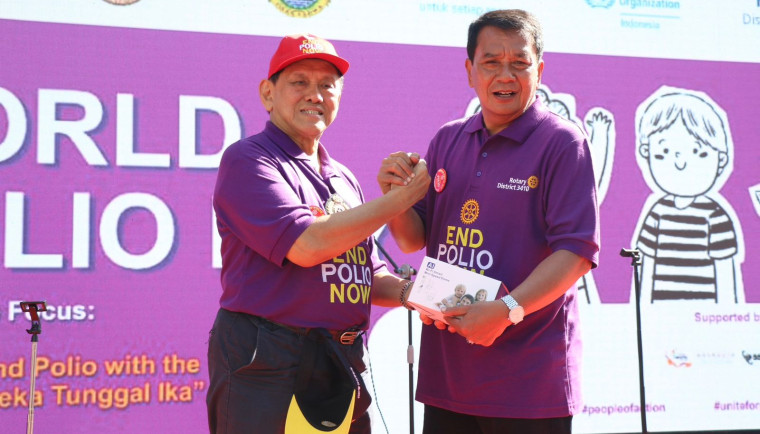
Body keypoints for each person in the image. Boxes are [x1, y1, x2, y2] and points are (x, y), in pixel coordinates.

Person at [378, 9, 600, 433]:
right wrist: (397, 198)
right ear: (470, 71)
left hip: (530, 383)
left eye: (519, 63)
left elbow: (575, 253)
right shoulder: (448, 139)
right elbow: (413, 239)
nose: (505, 75)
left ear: (539, 70)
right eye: (491, 62)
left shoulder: (562, 143)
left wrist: (507, 310)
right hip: (449, 377)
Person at [207, 33, 430, 434]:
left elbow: (366, 274)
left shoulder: (342, 177)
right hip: (267, 360)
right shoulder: (249, 159)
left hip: (341, 361)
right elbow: (307, 245)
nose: (315, 95)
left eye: (327, 85)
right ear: (268, 93)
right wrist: (401, 200)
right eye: (300, 82)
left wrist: (420, 294)